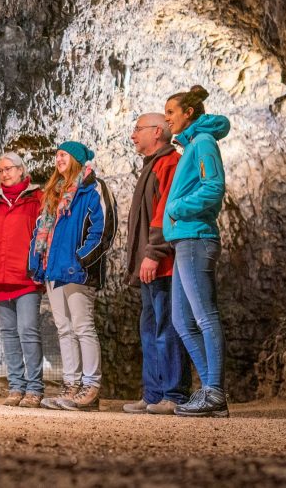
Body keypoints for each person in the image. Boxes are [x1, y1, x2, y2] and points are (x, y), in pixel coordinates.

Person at [28, 141, 116, 411]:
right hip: (54, 270)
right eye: (56, 154)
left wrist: (82, 259)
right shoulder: (54, 192)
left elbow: (103, 228)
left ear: (77, 158)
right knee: (64, 329)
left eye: (64, 154)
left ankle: (90, 386)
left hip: (78, 270)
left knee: (82, 326)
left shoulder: (92, 188)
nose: (58, 158)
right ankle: (71, 384)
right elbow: (41, 231)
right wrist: (37, 263)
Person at [162, 85, 230, 418]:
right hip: (185, 240)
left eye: (171, 112)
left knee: (204, 316)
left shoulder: (203, 142)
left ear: (189, 112)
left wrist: (176, 207)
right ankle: (210, 390)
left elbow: (213, 188)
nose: (167, 119)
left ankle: (214, 390)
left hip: (196, 238)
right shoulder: (192, 145)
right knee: (182, 320)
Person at [122, 113, 191, 415]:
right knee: (149, 328)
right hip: (148, 265)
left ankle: (174, 393)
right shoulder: (151, 166)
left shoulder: (170, 164)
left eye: (138, 129)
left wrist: (154, 251)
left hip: (162, 264)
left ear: (158, 132)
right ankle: (153, 392)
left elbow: (165, 212)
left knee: (167, 327)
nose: (133, 135)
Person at [0, 152, 45, 408]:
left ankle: (35, 388)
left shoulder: (37, 199)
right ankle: (16, 386)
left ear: (21, 170)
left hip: (25, 276)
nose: (4, 173)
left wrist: (38, 266)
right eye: (0, 170)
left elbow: (44, 234)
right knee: (8, 334)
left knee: (28, 330)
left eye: (9, 169)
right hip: (0, 276)